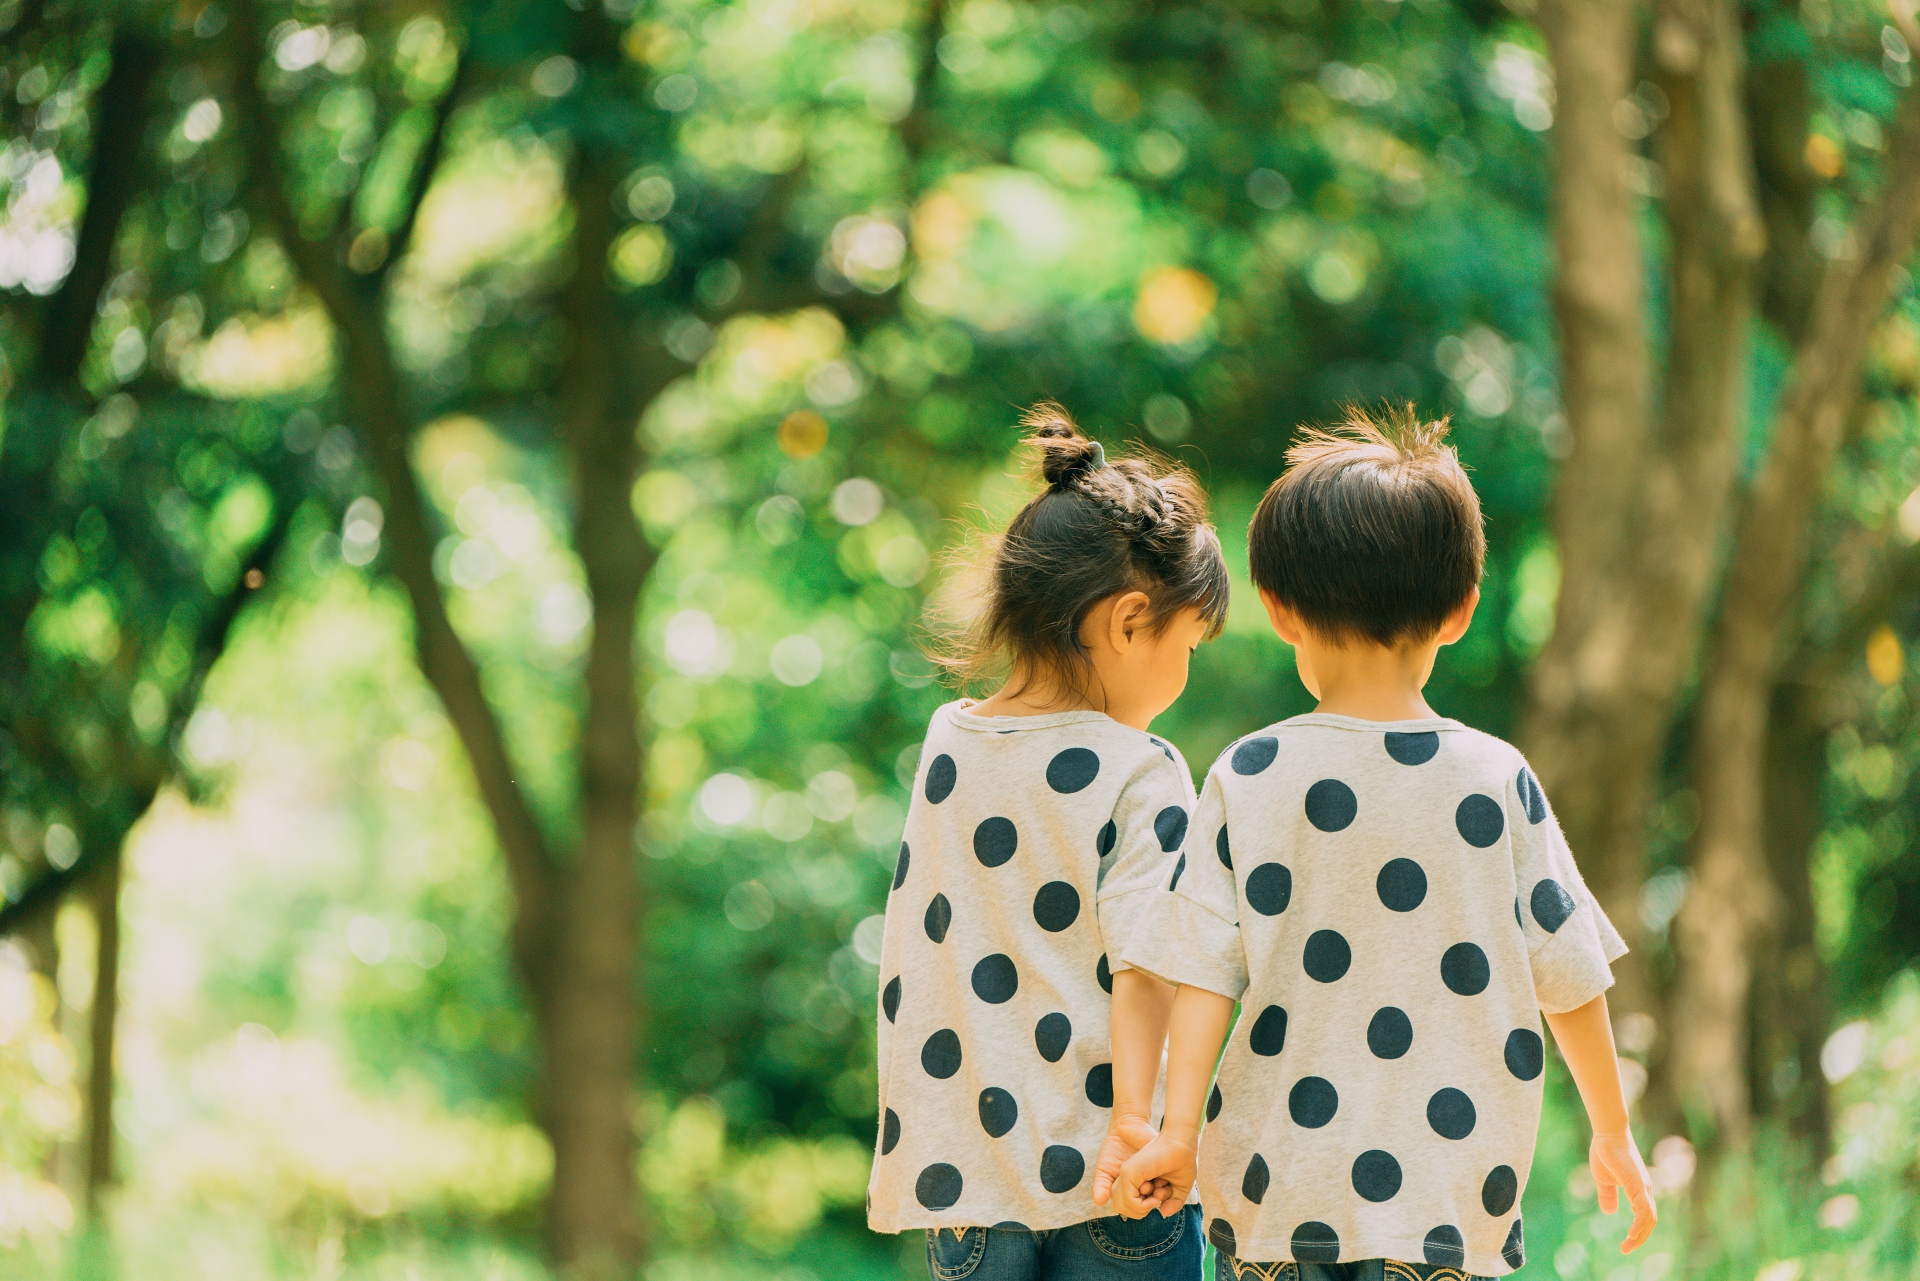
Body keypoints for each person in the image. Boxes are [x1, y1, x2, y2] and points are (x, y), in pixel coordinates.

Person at [1102, 408, 1656, 1280]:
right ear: (1463, 611)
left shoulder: (1249, 775)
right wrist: (1613, 1130)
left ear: (1279, 609)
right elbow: (1571, 973)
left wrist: (1177, 1133)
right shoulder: (1495, 777)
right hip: (1448, 1202)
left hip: (1277, 1195)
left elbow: (1202, 971)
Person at [868, 403, 1230, 1281]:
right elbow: (1148, 963)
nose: (1182, 679)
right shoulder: (1141, 768)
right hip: (1115, 1177)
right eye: (1186, 646)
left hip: (972, 1191)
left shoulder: (948, 744)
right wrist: (1140, 1122)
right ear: (1130, 621)